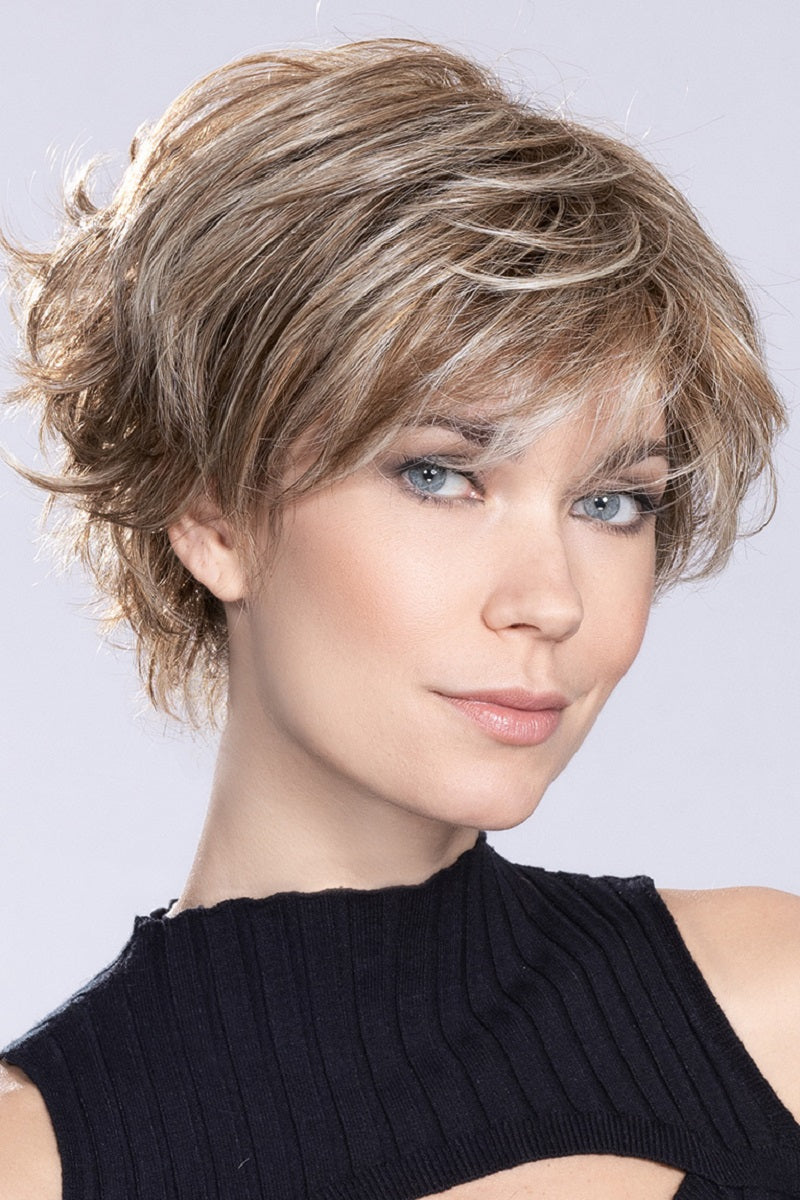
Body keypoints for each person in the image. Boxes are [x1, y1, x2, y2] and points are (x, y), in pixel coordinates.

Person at [0, 36, 797, 1200]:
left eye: (610, 502)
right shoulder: (34, 1166)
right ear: (211, 514)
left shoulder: (769, 1012)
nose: (550, 600)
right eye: (437, 475)